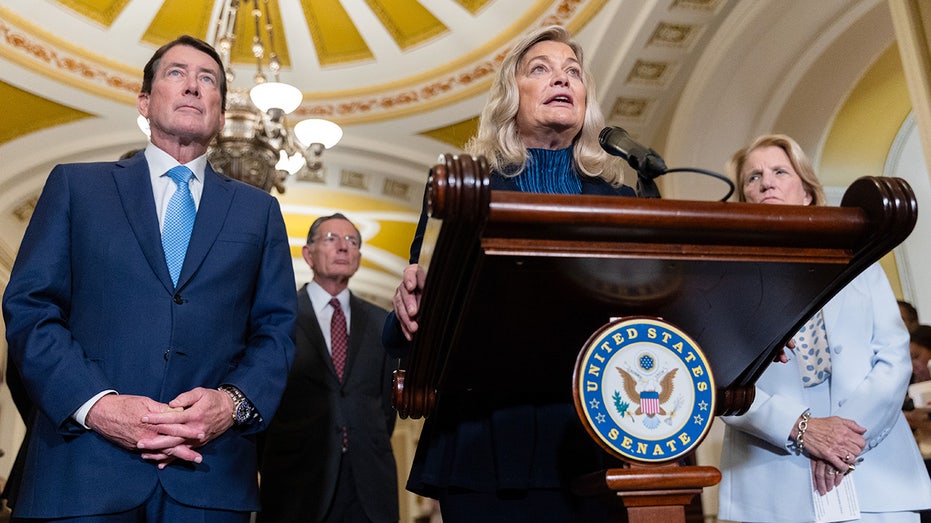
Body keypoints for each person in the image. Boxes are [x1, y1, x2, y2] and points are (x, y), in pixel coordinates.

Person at [1, 35, 296, 521]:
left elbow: (278, 332)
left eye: (209, 80)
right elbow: (32, 310)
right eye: (176, 74)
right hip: (83, 472)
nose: (193, 87)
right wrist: (96, 406)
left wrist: (232, 403)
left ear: (222, 115)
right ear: (145, 102)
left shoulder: (259, 212)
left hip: (208, 478)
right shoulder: (77, 187)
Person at [384, 25, 635, 522]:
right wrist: (407, 301)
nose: (561, 79)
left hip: (594, 434)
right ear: (509, 96)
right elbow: (408, 331)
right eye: (540, 69)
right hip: (486, 437)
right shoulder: (465, 193)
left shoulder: (621, 201)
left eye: (573, 72)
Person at [717, 134, 931, 522]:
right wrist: (802, 429)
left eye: (780, 171)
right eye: (753, 177)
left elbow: (894, 359)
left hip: (875, 471)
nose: (766, 183)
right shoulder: (727, 281)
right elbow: (720, 382)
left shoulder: (860, 264)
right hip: (773, 480)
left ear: (807, 192)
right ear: (744, 198)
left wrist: (843, 440)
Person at [259, 213, 399, 523]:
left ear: (359, 257)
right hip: (296, 482)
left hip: (368, 486)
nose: (343, 247)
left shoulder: (382, 322)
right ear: (308, 254)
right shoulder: (279, 318)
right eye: (332, 239)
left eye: (352, 241)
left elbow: (387, 406)